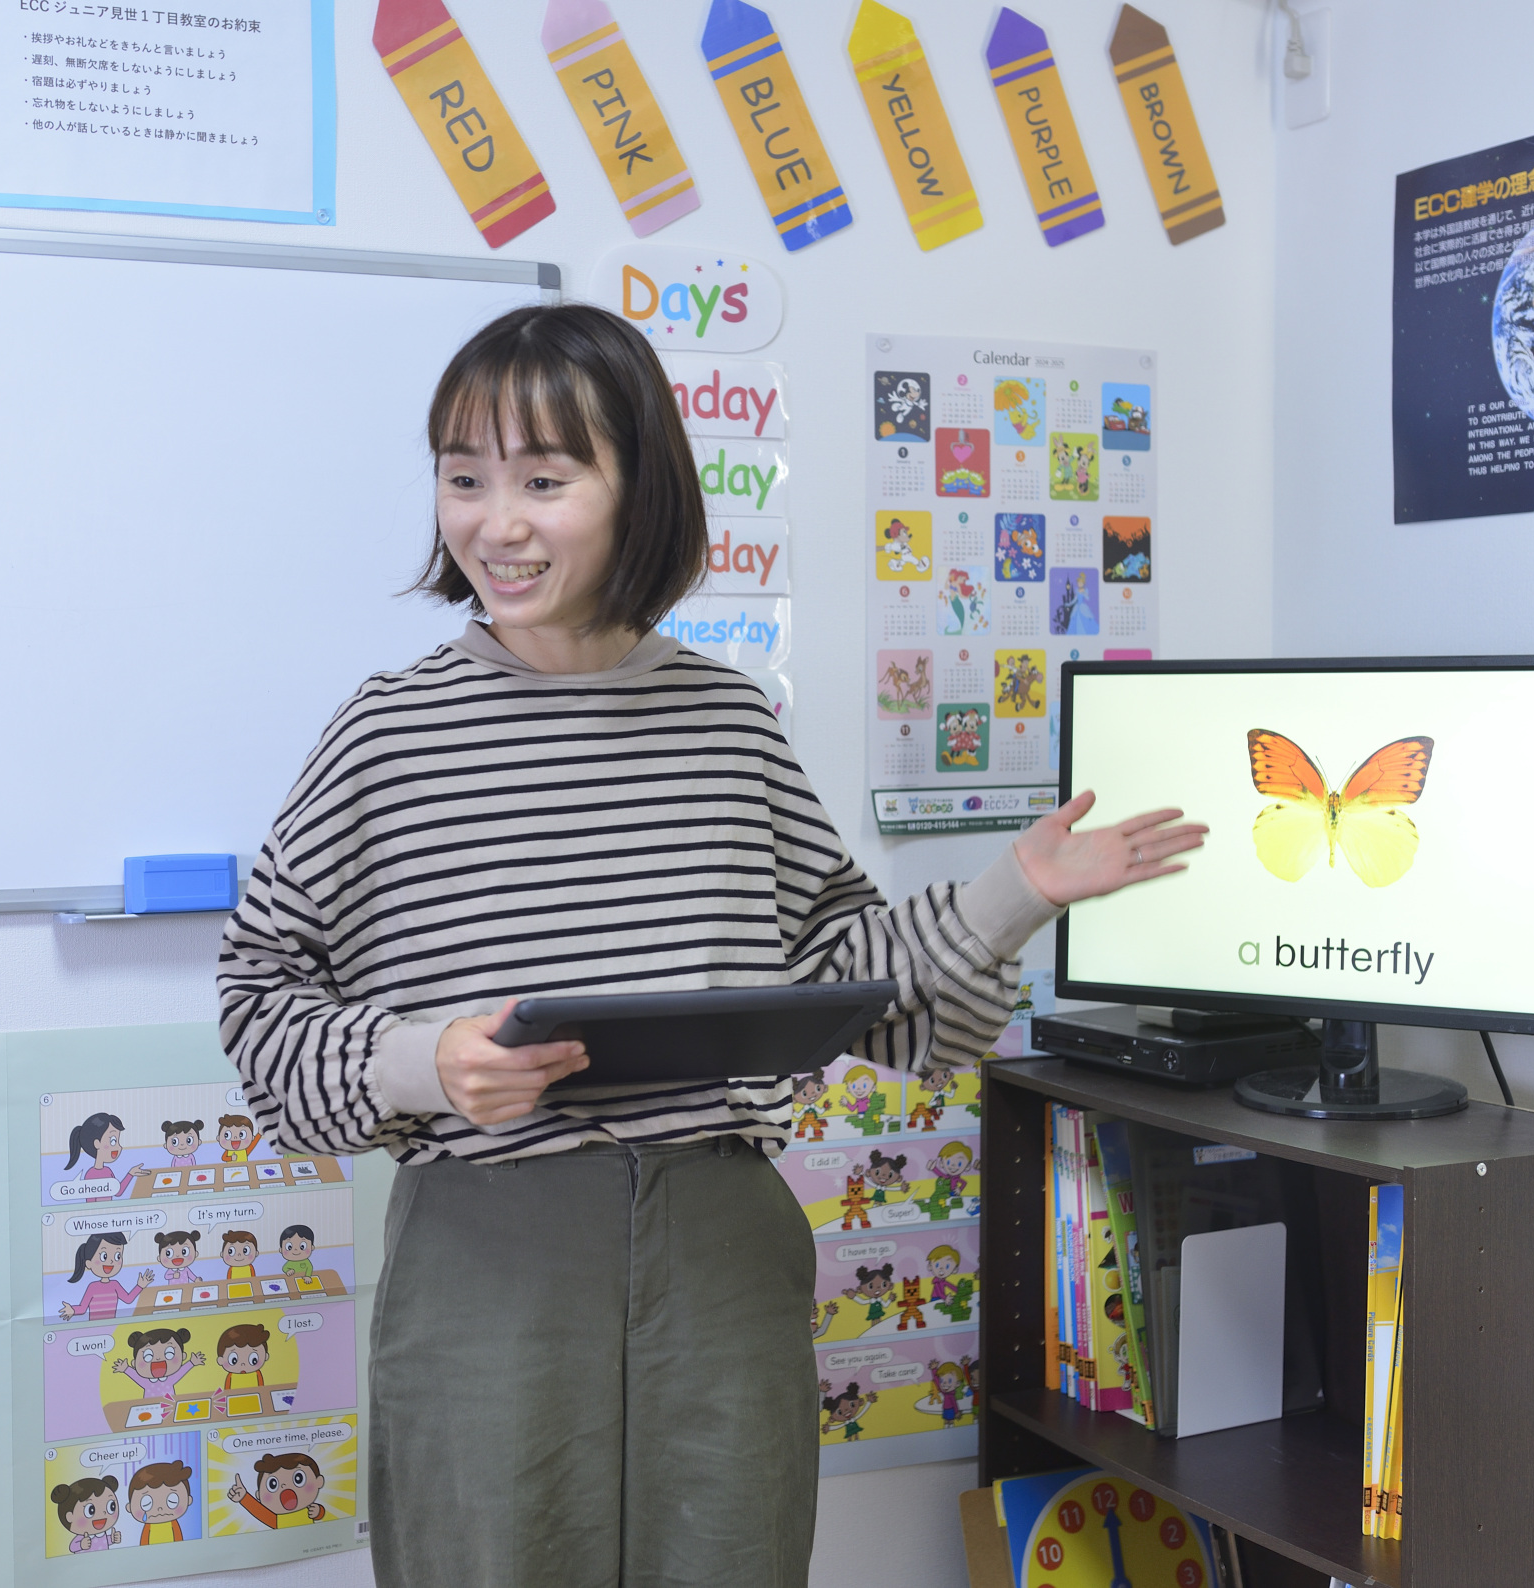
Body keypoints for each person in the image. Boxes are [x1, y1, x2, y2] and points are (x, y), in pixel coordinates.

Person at [217, 303, 1203, 1586]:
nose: (495, 524)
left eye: (543, 481)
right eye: (464, 480)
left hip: (721, 1253)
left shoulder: (727, 721)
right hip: (487, 1262)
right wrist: (427, 1062)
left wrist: (1016, 889)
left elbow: (850, 977)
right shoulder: (388, 734)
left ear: (641, 489)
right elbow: (259, 1000)